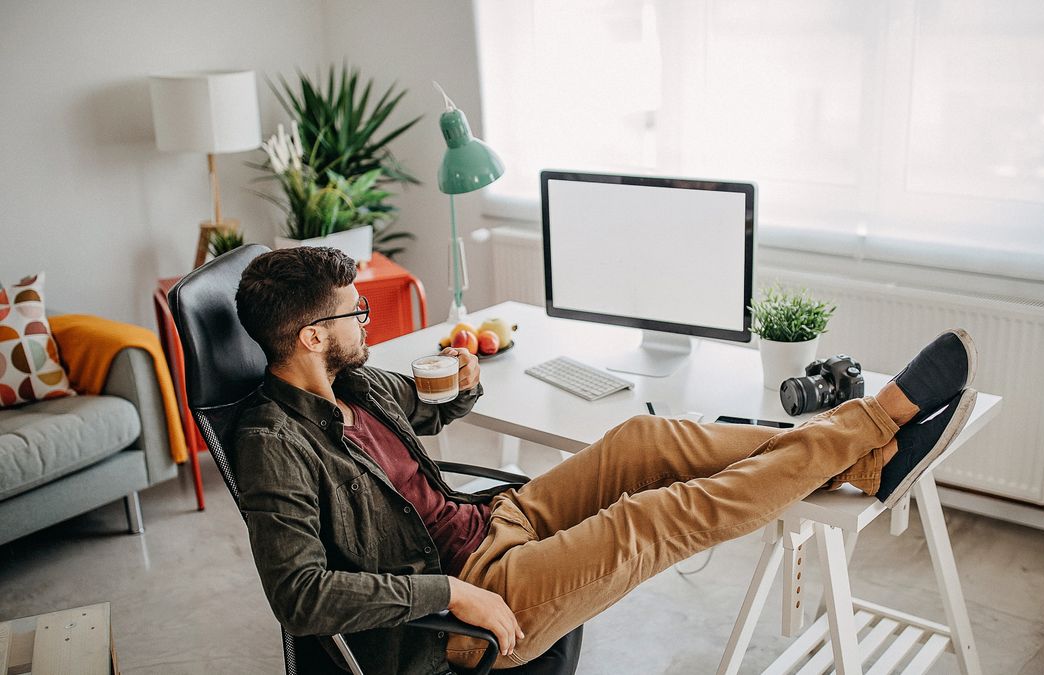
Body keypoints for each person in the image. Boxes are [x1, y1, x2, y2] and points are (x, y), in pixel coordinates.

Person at [232, 247, 978, 674]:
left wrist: (463, 384)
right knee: (653, 517)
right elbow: (300, 595)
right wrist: (450, 596)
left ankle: (863, 459)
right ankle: (875, 424)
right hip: (465, 588)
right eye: (352, 313)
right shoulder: (273, 445)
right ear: (309, 337)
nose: (365, 320)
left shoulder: (355, 381)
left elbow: (424, 406)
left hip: (494, 521)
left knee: (642, 440)